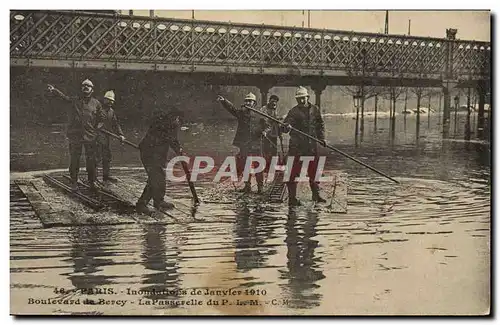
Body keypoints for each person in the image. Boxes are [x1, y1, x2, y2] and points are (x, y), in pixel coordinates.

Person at [47, 79, 102, 191]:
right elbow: (64, 98)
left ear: (92, 89)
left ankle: (92, 182)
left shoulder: (96, 103)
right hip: (75, 135)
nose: (86, 87)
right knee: (74, 160)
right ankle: (74, 182)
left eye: (88, 86)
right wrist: (54, 90)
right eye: (83, 86)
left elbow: (101, 119)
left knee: (91, 161)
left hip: (90, 136)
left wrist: (96, 129)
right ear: (81, 88)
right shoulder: (75, 100)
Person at [282, 86, 327, 206]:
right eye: (299, 99)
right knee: (292, 172)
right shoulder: (293, 111)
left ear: (307, 97)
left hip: (311, 146)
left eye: (303, 98)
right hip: (296, 147)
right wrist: (286, 126)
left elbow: (320, 125)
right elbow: (285, 126)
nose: (301, 100)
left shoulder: (315, 110)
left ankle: (316, 195)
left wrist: (321, 138)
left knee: (314, 170)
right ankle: (292, 198)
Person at [216, 92, 268, 194]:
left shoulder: (259, 114)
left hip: (256, 143)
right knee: (245, 165)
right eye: (247, 101)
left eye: (250, 101)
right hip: (245, 144)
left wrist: (265, 131)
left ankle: (260, 187)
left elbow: (267, 125)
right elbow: (232, 109)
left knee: (258, 165)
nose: (248, 103)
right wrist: (224, 101)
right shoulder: (241, 113)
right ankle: (247, 186)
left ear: (254, 103)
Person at [136, 108, 184, 215]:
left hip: (153, 154)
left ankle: (158, 201)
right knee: (155, 179)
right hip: (151, 154)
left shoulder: (163, 122)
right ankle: (141, 204)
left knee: (159, 177)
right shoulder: (169, 124)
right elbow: (172, 139)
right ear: (175, 118)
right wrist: (178, 149)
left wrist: (178, 148)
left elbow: (171, 139)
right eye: (178, 120)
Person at [96, 90, 126, 183]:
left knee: (107, 157)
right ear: (104, 100)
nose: (110, 102)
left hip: (106, 137)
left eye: (112, 101)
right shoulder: (98, 109)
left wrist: (120, 134)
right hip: (96, 137)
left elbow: (115, 124)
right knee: (97, 157)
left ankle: (106, 176)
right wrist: (96, 126)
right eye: (108, 100)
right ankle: (93, 177)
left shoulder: (111, 112)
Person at [261, 94, 282, 169]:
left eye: (276, 102)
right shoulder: (264, 108)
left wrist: (279, 131)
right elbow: (264, 119)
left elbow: (277, 120)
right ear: (269, 100)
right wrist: (265, 130)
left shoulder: (275, 108)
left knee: (274, 148)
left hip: (274, 132)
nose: (274, 103)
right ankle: (265, 164)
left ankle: (273, 164)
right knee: (266, 148)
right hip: (266, 131)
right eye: (273, 101)